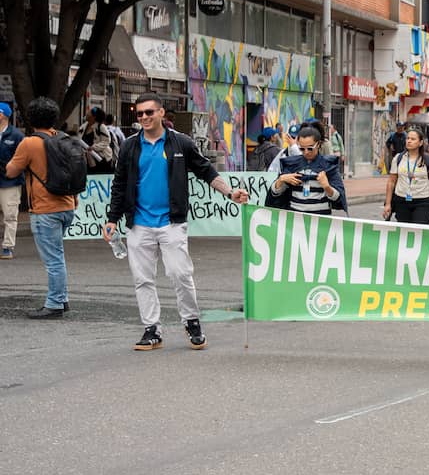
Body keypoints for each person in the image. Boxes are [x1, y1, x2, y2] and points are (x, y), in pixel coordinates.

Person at [104, 93, 250, 350]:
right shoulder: (129, 146)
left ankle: (191, 321)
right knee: (143, 278)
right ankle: (152, 329)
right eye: (140, 114)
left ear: (161, 113)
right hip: (138, 223)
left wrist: (230, 193)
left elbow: (206, 171)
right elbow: (119, 184)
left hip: (171, 222)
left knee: (180, 273)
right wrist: (112, 219)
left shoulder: (180, 143)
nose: (145, 118)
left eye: (149, 112)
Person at [5, 97, 77, 318]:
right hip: (67, 205)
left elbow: (11, 171)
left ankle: (54, 303)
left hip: (45, 209)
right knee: (58, 255)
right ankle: (61, 299)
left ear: (30, 118)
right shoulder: (63, 138)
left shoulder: (30, 143)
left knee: (53, 259)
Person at [269, 126, 347, 215]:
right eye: (301, 149)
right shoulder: (292, 164)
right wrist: (281, 180)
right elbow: (274, 193)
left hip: (321, 222)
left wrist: (327, 187)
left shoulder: (328, 166)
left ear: (318, 144)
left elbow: (338, 198)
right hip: (295, 221)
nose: (306, 152)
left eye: (310, 148)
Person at [383, 128, 429, 224]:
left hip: (423, 202)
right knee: (404, 233)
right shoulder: (398, 158)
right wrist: (388, 204)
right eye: (407, 138)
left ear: (420, 143)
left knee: (418, 232)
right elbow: (391, 181)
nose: (409, 141)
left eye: (413, 139)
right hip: (401, 201)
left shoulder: (428, 159)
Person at [0, 102, 25, 259]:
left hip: (10, 183)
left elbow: (22, 160)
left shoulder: (16, 136)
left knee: (10, 215)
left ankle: (8, 247)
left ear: (3, 115)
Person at [80, 105, 115, 173]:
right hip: (88, 161)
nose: (87, 113)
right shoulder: (83, 127)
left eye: (89, 112)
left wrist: (93, 147)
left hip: (101, 160)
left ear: (93, 117)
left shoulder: (101, 127)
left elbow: (106, 141)